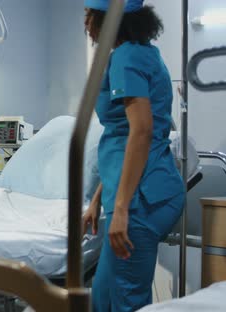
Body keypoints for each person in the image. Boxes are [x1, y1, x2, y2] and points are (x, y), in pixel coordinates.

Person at [81, 1, 185, 311]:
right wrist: (100, 196)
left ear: (107, 20)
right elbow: (124, 136)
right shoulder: (140, 51)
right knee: (103, 296)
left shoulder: (127, 56)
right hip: (136, 191)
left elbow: (142, 132)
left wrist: (123, 210)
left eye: (89, 16)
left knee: (125, 300)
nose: (85, 24)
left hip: (143, 199)